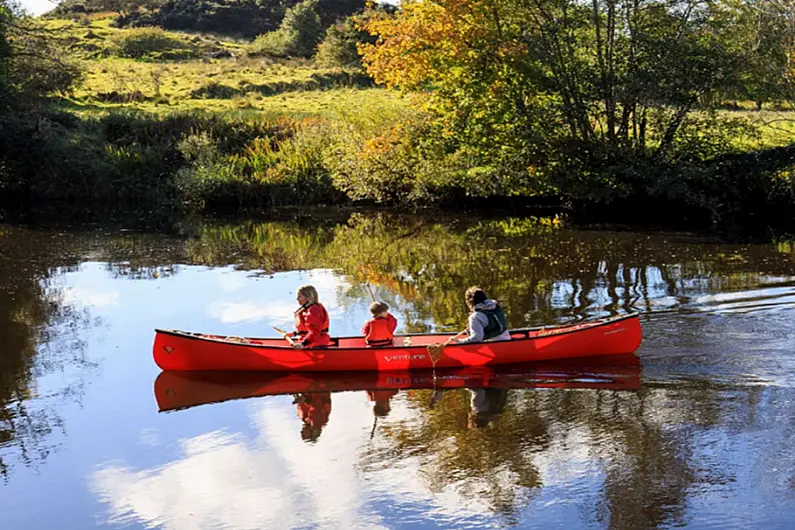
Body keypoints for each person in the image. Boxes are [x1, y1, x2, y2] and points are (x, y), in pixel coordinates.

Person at [291, 284, 331, 349]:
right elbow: (307, 329)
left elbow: (315, 331)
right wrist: (293, 334)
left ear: (308, 297)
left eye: (300, 296)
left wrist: (303, 344)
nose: (297, 299)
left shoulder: (313, 310)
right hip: (312, 342)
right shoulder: (308, 309)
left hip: (316, 345)